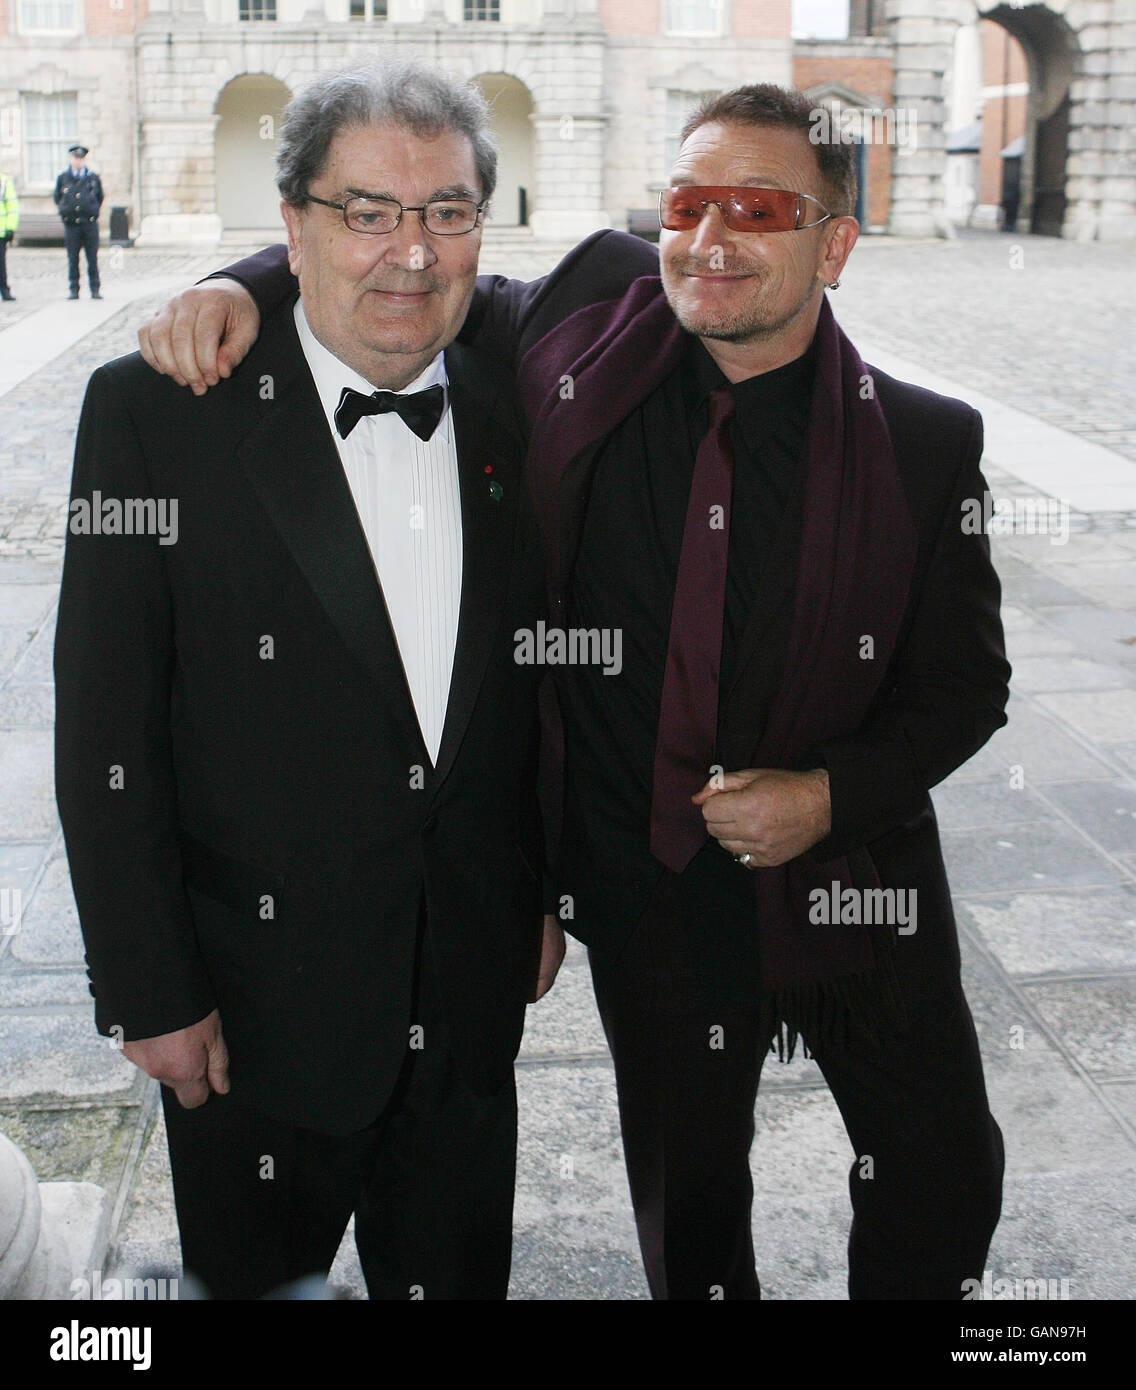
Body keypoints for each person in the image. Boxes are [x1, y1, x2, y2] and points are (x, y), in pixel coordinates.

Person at [138, 82, 1011, 1301]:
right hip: (645, 891)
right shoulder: (592, 317)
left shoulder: (923, 443)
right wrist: (244, 283)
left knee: (938, 1177)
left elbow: (967, 686)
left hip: (853, 887)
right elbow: (402, 258)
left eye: (756, 208)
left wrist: (827, 796)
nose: (709, 238)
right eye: (687, 202)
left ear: (834, 243)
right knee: (692, 1213)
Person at [55, 60, 564, 1302]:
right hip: (249, 1013)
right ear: (291, 225)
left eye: (444, 211)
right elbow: (104, 726)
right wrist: (148, 990)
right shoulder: (155, 415)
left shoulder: (527, 388)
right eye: (364, 212)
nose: (408, 252)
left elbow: (528, 694)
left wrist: (536, 887)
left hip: (466, 993)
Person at [54, 144, 102, 300]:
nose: (78, 161)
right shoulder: (63, 178)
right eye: (76, 158)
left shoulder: (92, 178)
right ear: (71, 159)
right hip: (72, 224)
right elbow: (57, 198)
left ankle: (95, 288)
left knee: (92, 257)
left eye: (81, 158)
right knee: (73, 258)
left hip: (89, 223)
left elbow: (100, 197)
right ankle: (74, 289)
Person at [0, 170, 17, 301]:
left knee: (1, 265)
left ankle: (4, 290)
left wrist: (11, 228)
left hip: (1, 232)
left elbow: (12, 206)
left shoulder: (4, 180)